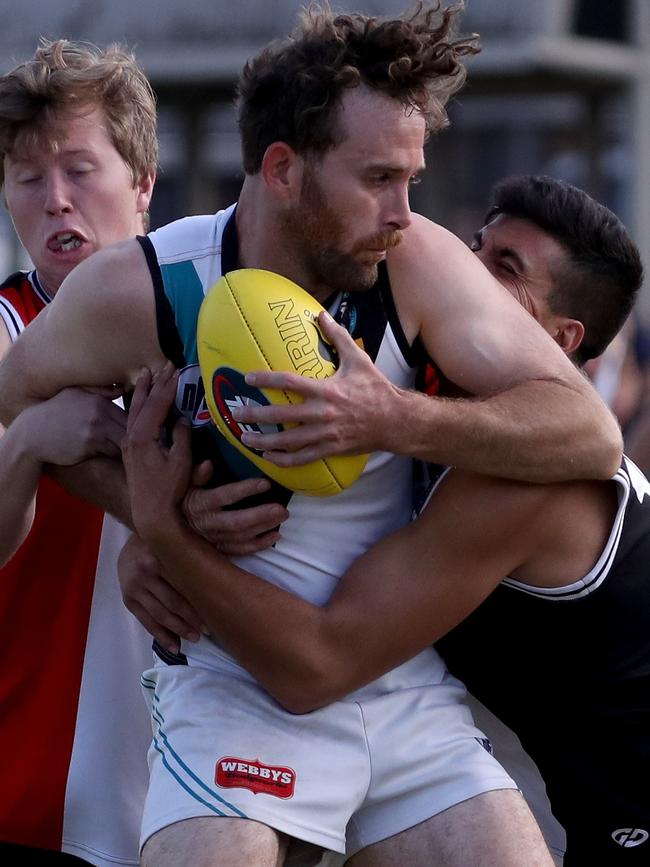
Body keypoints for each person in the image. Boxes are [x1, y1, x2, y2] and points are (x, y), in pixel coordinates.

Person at [0, 3, 622, 864]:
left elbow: (588, 434)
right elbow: (15, 397)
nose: (405, 210)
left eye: (412, 176)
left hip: (402, 688)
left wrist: (389, 416)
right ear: (284, 169)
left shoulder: (414, 264)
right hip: (233, 689)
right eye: (378, 178)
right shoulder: (147, 288)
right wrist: (145, 506)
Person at [121, 174, 646, 867]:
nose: (465, 270)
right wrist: (143, 520)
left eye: (504, 270)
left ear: (560, 336)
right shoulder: (438, 417)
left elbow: (317, 662)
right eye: (475, 246)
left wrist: (167, 535)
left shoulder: (523, 476)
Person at [0, 39, 283, 866]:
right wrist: (24, 447)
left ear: (143, 183)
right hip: (28, 796)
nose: (55, 200)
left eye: (80, 170)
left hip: (207, 786)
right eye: (27, 179)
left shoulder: (232, 325)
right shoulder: (8, 333)